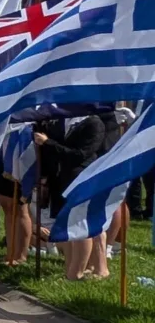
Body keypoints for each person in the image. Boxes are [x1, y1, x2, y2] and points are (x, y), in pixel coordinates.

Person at [35, 114, 106, 280]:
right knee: (67, 226)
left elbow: (80, 155)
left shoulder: (93, 123)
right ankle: (69, 269)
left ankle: (77, 273)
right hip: (61, 180)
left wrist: (48, 143)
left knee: (80, 225)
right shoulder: (62, 120)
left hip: (81, 179)